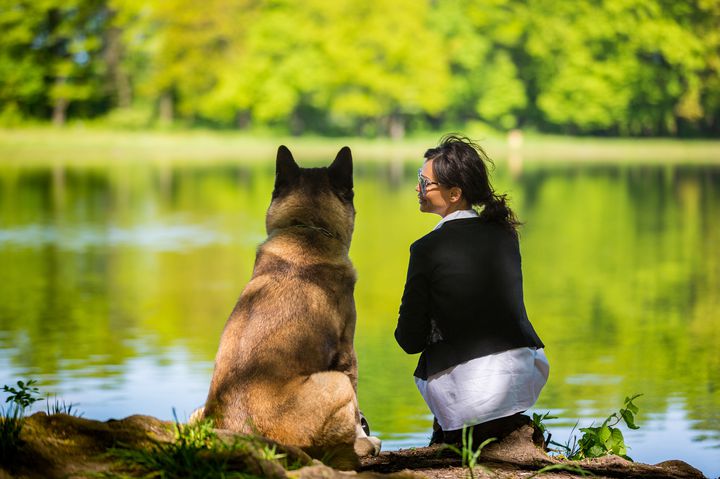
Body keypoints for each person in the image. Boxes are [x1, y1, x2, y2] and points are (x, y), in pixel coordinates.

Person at [394, 134, 549, 446]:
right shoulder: (505, 235)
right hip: (522, 378)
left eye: (424, 182)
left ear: (454, 193)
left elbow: (409, 340)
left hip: (463, 397)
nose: (417, 188)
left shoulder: (426, 249)